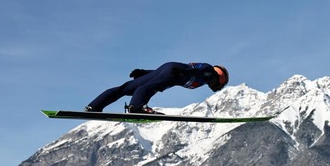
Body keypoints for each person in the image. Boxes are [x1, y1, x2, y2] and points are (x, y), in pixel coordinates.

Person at [85, 62, 229, 114]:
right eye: (219, 85)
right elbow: (197, 68)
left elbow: (160, 73)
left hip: (168, 70)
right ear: (220, 77)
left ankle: (94, 107)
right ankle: (137, 107)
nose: (216, 87)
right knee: (149, 87)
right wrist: (185, 72)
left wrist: (145, 73)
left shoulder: (204, 79)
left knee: (126, 88)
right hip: (173, 71)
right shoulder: (209, 71)